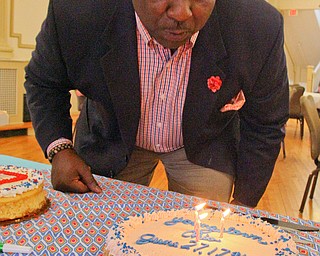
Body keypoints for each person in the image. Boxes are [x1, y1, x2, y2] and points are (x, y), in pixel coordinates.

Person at [24, 0, 289, 207]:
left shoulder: (258, 27)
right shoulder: (77, 12)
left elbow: (266, 122)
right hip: (113, 135)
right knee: (102, 229)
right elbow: (44, 82)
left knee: (203, 236)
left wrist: (244, 201)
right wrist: (59, 148)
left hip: (202, 143)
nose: (182, 13)